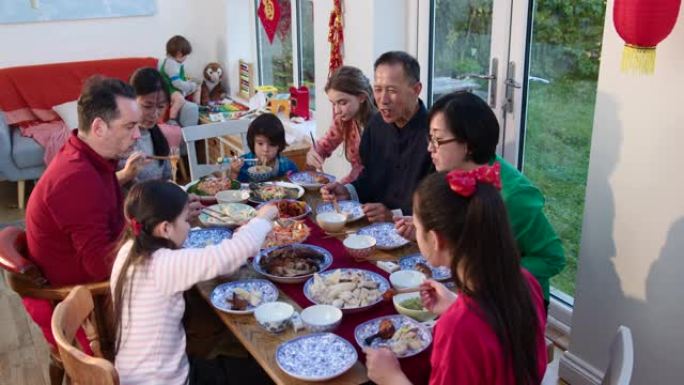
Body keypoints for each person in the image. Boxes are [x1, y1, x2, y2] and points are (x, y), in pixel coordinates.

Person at [365, 168, 548, 385]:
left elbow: (471, 333)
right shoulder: (525, 281)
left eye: (417, 225)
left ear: (435, 239)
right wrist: (455, 305)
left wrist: (391, 377)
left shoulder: (456, 330)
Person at [394, 91, 565, 306]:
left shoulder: (514, 196)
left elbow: (552, 258)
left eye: (438, 140)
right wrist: (426, 228)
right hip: (469, 288)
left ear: (469, 146)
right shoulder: (453, 175)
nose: (430, 148)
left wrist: (491, 272)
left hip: (514, 303)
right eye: (430, 138)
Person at [111, 181, 278, 384]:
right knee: (266, 372)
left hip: (134, 374)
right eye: (185, 220)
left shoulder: (129, 249)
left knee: (242, 364)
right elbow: (233, 253)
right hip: (166, 379)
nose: (189, 225)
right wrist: (263, 218)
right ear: (165, 228)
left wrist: (179, 213)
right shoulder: (164, 265)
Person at [24, 76, 142, 347]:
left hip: (92, 281)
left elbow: (109, 220)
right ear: (99, 127)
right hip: (89, 305)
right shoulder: (76, 180)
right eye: (129, 126)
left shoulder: (88, 158)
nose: (137, 135)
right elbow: (101, 267)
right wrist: (154, 242)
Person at [321, 51, 433, 222]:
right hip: (374, 229)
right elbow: (370, 178)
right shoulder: (375, 125)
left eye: (392, 90)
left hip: (417, 235)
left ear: (416, 90)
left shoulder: (435, 135)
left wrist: (393, 215)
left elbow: (439, 204)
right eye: (378, 90)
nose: (383, 100)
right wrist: (348, 191)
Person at [305, 65, 375, 184]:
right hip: (355, 186)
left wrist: (345, 188)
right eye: (333, 103)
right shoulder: (342, 120)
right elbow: (325, 144)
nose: (337, 110)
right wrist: (314, 153)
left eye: (342, 103)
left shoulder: (382, 124)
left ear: (361, 97)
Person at [117, 67, 173, 186]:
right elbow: (98, 184)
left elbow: (166, 178)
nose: (154, 114)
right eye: (147, 106)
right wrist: (125, 174)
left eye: (161, 107)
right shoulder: (117, 137)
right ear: (130, 101)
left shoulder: (157, 136)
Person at [229, 113, 299, 182]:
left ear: (279, 145)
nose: (265, 149)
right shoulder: (243, 164)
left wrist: (289, 179)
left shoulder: (286, 166)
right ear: (253, 142)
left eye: (272, 144)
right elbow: (234, 188)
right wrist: (234, 172)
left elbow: (296, 184)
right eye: (260, 143)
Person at [160, 35, 201, 125]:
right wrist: (189, 86)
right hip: (169, 89)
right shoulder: (171, 64)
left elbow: (182, 77)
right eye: (185, 55)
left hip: (178, 88)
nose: (186, 57)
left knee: (198, 87)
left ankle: (198, 106)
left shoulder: (177, 62)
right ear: (179, 54)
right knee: (179, 99)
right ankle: (172, 118)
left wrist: (192, 82)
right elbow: (176, 83)